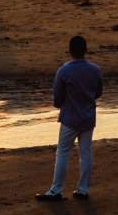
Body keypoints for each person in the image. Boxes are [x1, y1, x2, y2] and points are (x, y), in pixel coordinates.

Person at [36, 35, 103, 202]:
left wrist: (60, 104)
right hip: (88, 117)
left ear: (70, 50)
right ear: (85, 50)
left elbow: (57, 95)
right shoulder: (95, 70)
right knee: (85, 153)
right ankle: (82, 190)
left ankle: (56, 190)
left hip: (70, 118)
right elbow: (98, 92)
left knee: (62, 153)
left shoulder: (64, 70)